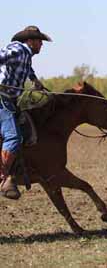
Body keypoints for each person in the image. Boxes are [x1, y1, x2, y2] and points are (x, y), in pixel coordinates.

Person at [0, 26, 50, 199]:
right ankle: (3, 177)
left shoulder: (26, 55)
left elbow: (27, 70)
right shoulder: (19, 49)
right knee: (14, 137)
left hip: (10, 100)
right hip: (2, 98)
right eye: (39, 41)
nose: (42, 45)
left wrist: (36, 81)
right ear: (30, 41)